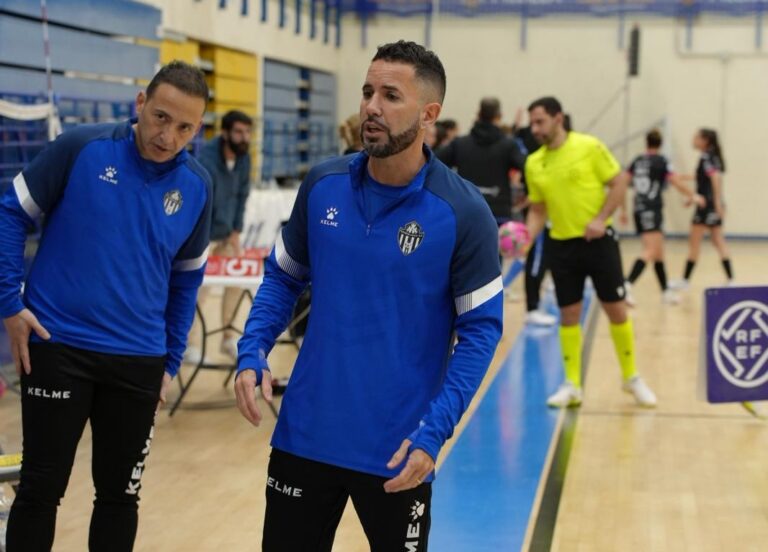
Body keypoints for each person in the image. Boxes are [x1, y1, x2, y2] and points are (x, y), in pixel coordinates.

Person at [233, 40, 502, 551]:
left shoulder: (463, 213)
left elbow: (480, 332)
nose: (371, 106)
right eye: (367, 91)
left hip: (401, 449)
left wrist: (435, 431)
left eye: (390, 95)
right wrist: (253, 351)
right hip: (304, 438)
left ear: (429, 114)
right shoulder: (323, 184)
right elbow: (283, 277)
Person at [0, 61, 212, 551]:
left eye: (184, 127)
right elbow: (11, 212)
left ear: (197, 128)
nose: (168, 135)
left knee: (119, 498)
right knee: (39, 490)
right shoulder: (82, 148)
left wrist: (171, 360)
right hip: (58, 349)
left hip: (138, 362)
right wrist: (9, 302)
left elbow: (186, 281)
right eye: (160, 117)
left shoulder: (197, 185)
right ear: (141, 104)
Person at [524, 96, 656, 408]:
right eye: (532, 122)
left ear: (558, 118)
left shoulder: (589, 147)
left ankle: (631, 377)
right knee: (568, 314)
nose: (535, 128)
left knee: (617, 309)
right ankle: (573, 384)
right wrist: (524, 241)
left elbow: (619, 182)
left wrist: (600, 219)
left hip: (599, 244)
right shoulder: (534, 163)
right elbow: (539, 210)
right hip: (561, 246)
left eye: (540, 121)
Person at [185, 110, 253, 363]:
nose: (244, 137)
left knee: (236, 285)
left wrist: (236, 231)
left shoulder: (245, 158)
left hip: (229, 234)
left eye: (247, 132)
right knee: (198, 291)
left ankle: (228, 338)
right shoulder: (207, 159)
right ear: (225, 133)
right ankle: (188, 343)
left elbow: (242, 196)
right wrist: (203, 240)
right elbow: (200, 202)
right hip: (204, 235)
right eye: (238, 132)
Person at [621, 129, 703, 305]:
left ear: (646, 142)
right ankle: (626, 285)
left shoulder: (637, 161)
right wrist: (693, 195)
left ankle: (665, 291)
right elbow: (674, 181)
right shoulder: (661, 161)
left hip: (639, 208)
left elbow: (623, 182)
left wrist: (623, 210)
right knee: (650, 251)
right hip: (652, 209)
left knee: (659, 252)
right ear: (661, 144)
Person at [436, 98, 526, 224]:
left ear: (478, 115)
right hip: (499, 212)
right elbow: (527, 168)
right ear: (498, 117)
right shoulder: (508, 146)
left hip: (467, 210)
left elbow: (433, 163)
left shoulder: (460, 144)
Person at [671, 128, 733, 289]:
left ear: (705, 140)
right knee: (718, 241)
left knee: (695, 243)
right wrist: (685, 180)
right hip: (711, 205)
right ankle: (731, 279)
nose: (693, 139)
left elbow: (715, 177)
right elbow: (703, 177)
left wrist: (717, 202)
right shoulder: (712, 156)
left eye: (697, 137)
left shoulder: (706, 157)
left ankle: (685, 281)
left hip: (706, 206)